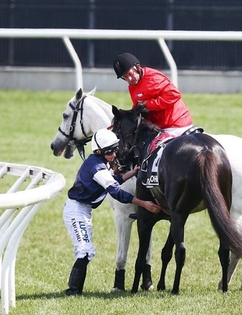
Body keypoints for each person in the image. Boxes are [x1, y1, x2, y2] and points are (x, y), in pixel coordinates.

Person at [62, 128, 162, 296]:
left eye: (115, 149)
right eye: (110, 152)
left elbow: (113, 179)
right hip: (76, 210)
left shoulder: (99, 162)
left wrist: (132, 173)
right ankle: (73, 291)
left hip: (83, 210)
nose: (114, 154)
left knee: (86, 251)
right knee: (85, 250)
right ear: (99, 151)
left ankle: (75, 290)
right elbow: (117, 192)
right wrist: (143, 203)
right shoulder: (96, 167)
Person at [113, 52, 193, 137]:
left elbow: (174, 95)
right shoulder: (133, 86)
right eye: (125, 77)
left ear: (138, 67)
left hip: (174, 125)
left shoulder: (153, 78)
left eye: (130, 74)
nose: (129, 79)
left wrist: (147, 105)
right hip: (159, 126)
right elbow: (139, 105)